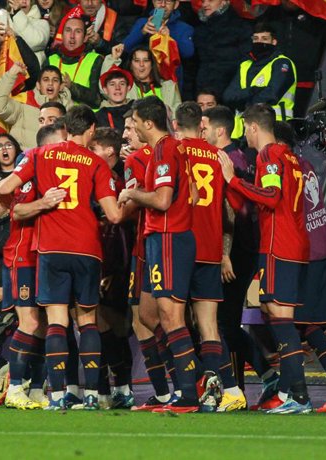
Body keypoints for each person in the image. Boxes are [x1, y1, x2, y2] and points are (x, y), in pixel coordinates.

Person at [0, 105, 122, 410]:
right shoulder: (96, 163)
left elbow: (2, 188)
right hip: (87, 249)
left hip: (51, 248)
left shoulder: (39, 156)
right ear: (90, 130)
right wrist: (128, 199)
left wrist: (38, 202)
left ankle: (56, 396)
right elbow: (114, 216)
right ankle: (91, 394)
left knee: (56, 321)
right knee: (88, 320)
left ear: (65, 128)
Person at [217, 103, 311, 414]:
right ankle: (288, 392)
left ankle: (298, 396)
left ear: (254, 126)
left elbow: (272, 197)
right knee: (274, 313)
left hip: (278, 244)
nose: (244, 134)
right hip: (292, 243)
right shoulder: (289, 156)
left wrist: (232, 180)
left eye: (245, 128)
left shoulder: (269, 155)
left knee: (281, 320)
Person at [117, 96, 201, 413]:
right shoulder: (167, 150)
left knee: (172, 317)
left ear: (148, 123)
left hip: (168, 238)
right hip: (162, 238)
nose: (133, 127)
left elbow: (164, 200)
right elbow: (191, 193)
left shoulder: (165, 149)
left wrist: (132, 192)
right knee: (152, 316)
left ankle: (189, 394)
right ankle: (179, 390)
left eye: (135, 121)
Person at [274, 120, 326, 413]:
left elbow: (279, 205)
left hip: (305, 253)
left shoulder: (282, 164)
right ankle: (285, 391)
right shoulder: (304, 163)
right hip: (320, 245)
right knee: (299, 324)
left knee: (296, 323)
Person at [201, 105, 279, 403]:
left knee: (220, 324)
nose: (203, 132)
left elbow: (234, 210)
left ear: (220, 130)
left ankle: (237, 387)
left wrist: (225, 254)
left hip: (236, 251)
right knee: (227, 324)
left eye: (206, 127)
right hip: (244, 249)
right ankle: (257, 380)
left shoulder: (227, 160)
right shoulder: (242, 157)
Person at [174, 101, 247, 412]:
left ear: (176, 124)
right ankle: (224, 387)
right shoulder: (218, 157)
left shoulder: (175, 151)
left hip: (181, 245)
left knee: (173, 319)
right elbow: (235, 208)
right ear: (201, 126)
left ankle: (186, 391)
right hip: (211, 248)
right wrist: (224, 251)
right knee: (209, 324)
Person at [0, 125, 66, 410]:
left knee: (46, 325)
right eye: (61, 145)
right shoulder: (33, 166)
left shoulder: (53, 172)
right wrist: (43, 203)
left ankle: (36, 388)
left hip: (44, 256)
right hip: (21, 255)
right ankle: (13, 387)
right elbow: (16, 209)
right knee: (30, 323)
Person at [89, 127, 135, 408]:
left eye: (94, 150)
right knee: (100, 325)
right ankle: (110, 388)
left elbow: (119, 225)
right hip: (102, 260)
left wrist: (112, 270)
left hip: (116, 262)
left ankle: (121, 386)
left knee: (114, 327)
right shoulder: (96, 177)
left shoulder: (116, 181)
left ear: (108, 152)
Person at [223, 21, 297, 121]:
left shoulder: (282, 63)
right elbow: (228, 96)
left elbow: (272, 95)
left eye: (264, 39)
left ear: (274, 42)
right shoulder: (245, 65)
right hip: (243, 129)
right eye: (256, 39)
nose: (259, 42)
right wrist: (254, 90)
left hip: (274, 125)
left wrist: (245, 103)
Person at [0, 64, 72, 149]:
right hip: (25, 160)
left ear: (61, 86)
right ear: (38, 85)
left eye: (55, 80)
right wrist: (11, 74)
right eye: (46, 80)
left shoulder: (70, 112)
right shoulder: (24, 104)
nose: (50, 83)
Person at [193, 0, 250, 101]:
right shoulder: (200, 29)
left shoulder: (240, 27)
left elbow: (246, 61)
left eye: (210, 0)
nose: (205, 4)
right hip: (203, 90)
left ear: (224, 2)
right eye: (203, 1)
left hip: (230, 89)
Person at [123, 0, 194, 78]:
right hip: (142, 78)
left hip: (169, 79)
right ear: (153, 3)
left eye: (168, 1)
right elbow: (125, 47)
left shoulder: (184, 28)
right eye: (159, 0)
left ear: (176, 4)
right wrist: (142, 32)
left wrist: (170, 37)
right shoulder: (142, 22)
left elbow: (188, 53)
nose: (163, 5)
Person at [104, 44, 181, 114]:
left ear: (152, 64)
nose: (141, 65)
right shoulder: (125, 87)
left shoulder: (169, 87)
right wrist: (113, 59)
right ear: (130, 65)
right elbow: (105, 87)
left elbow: (176, 116)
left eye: (146, 60)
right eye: (137, 61)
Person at [47, 17, 104, 108]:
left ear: (85, 38)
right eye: (68, 30)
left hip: (84, 118)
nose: (72, 36)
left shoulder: (95, 60)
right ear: (62, 35)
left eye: (78, 31)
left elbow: (97, 100)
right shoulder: (51, 60)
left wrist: (71, 87)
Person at [5, 0, 50, 66]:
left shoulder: (42, 23)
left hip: (33, 73)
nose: (24, 1)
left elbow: (33, 42)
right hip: (8, 71)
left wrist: (17, 12)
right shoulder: (4, 21)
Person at [96, 65, 133, 132]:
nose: (117, 88)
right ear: (105, 90)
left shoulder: (138, 111)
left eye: (122, 84)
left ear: (128, 88)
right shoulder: (98, 117)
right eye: (112, 84)